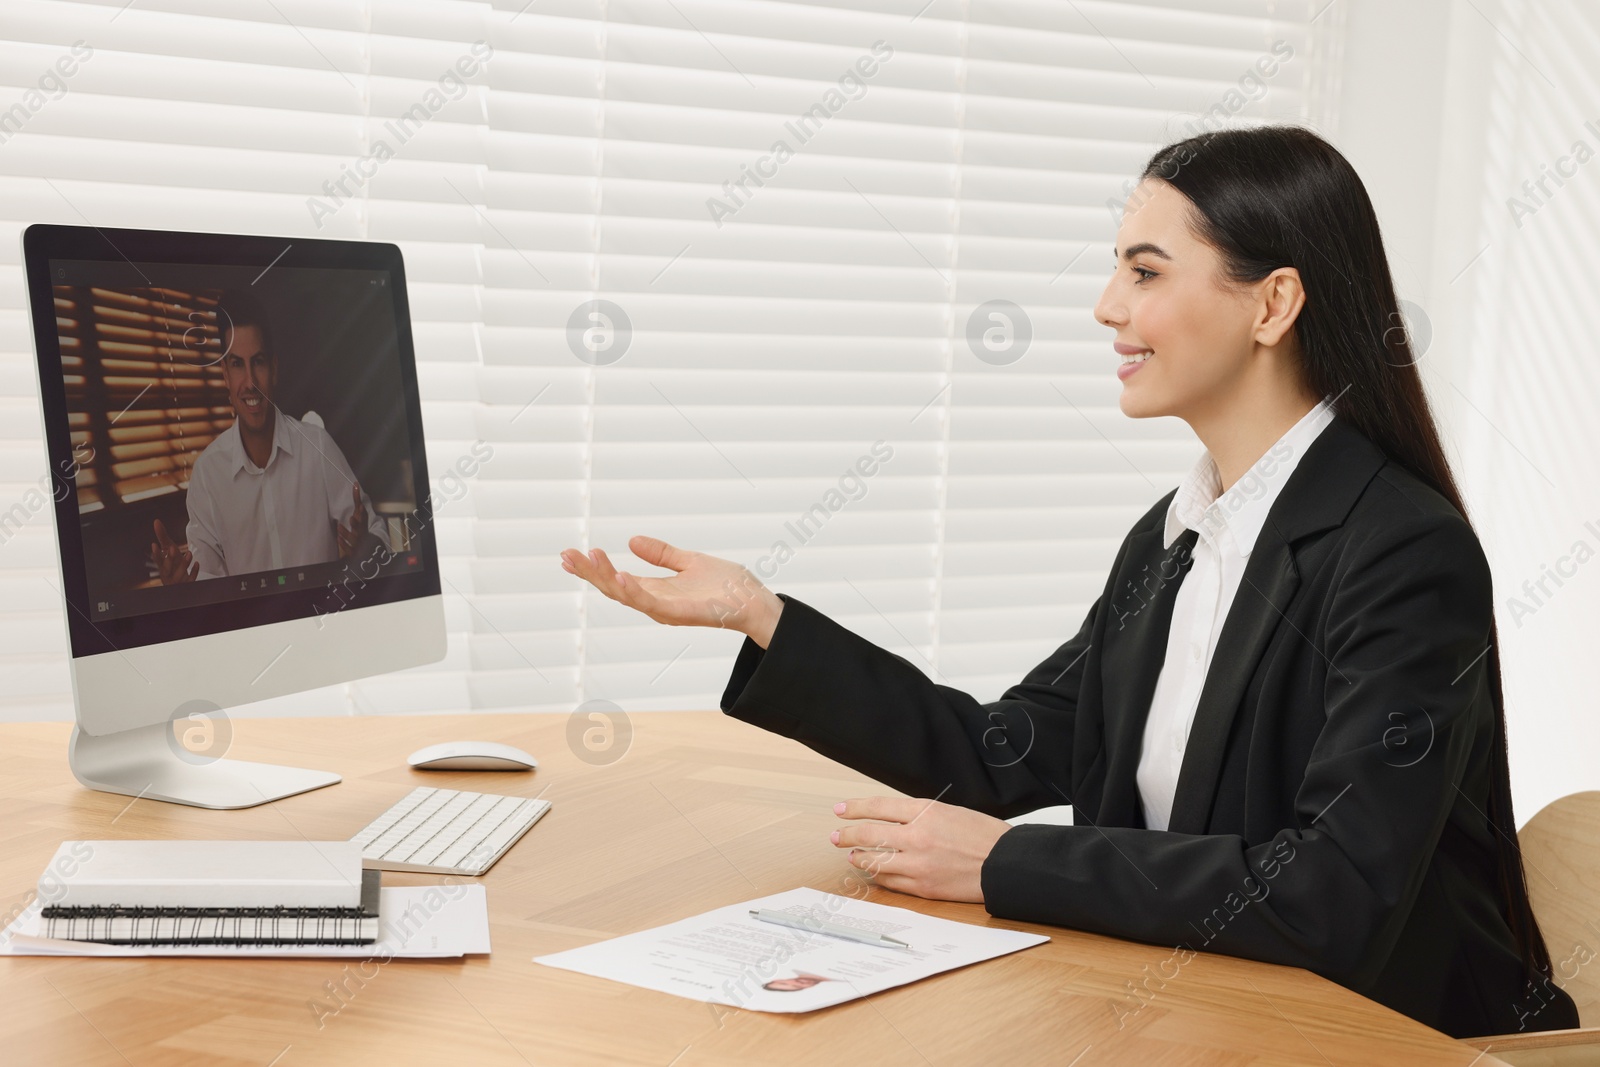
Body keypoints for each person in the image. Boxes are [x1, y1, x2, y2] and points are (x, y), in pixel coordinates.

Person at [557, 125, 1580, 1039]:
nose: (1105, 308)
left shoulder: (1401, 550)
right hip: (1197, 1011)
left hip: (1372, 1035)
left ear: (1273, 301)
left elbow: (1333, 889)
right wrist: (762, 615)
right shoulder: (1175, 537)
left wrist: (1001, 864)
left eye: (1144, 272)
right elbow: (999, 753)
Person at [149, 289, 387, 583]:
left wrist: (368, 547)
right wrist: (184, 590)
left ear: (273, 369)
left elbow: (376, 533)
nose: (250, 383)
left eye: (258, 362)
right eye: (237, 364)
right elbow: (207, 583)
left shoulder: (318, 447)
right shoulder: (208, 474)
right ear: (225, 374)